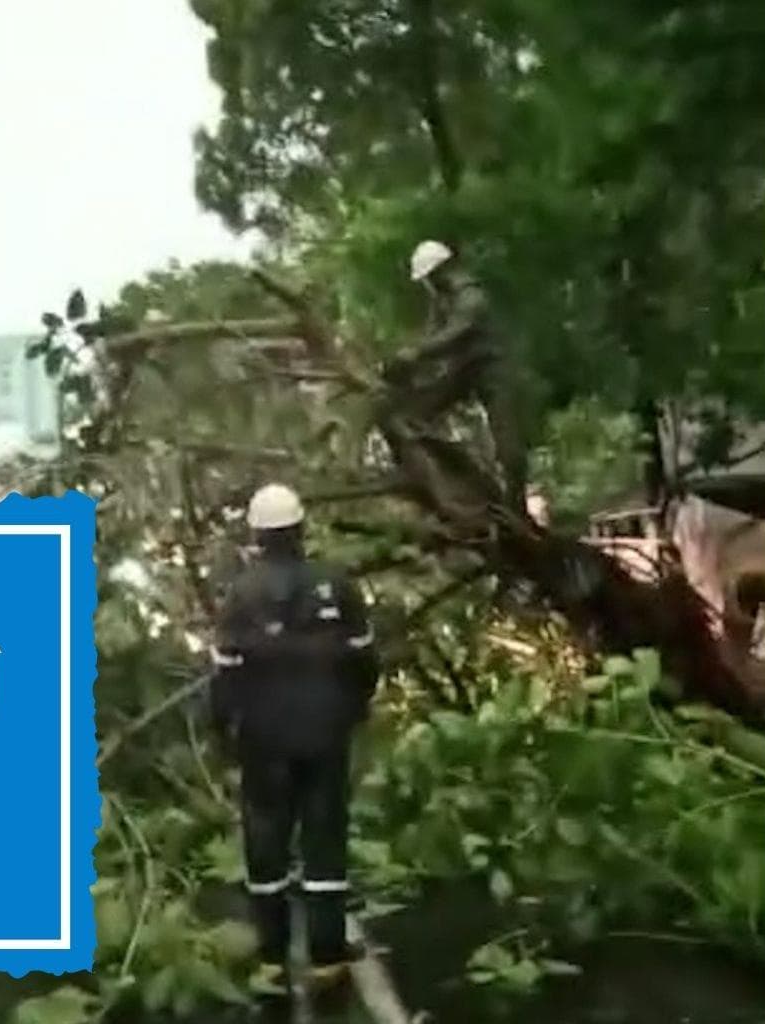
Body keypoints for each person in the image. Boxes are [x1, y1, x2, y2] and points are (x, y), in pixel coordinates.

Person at [210, 483, 379, 985]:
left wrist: (223, 731)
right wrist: (352, 710)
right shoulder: (337, 584)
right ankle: (327, 955)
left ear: (257, 535)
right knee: (324, 836)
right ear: (301, 529)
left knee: (267, 839)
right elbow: (365, 662)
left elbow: (225, 677)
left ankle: (273, 957)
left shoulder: (240, 595)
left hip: (263, 738)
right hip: (325, 732)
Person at [388, 239, 528, 512]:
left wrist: (416, 352)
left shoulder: (470, 297)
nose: (427, 284)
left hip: (492, 370)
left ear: (440, 271)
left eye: (429, 277)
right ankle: (442, 470)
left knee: (509, 446)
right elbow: (431, 334)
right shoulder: (442, 300)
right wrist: (405, 360)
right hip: (464, 370)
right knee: (412, 414)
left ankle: (516, 505)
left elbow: (455, 333)